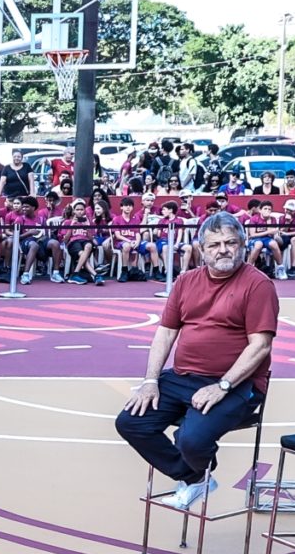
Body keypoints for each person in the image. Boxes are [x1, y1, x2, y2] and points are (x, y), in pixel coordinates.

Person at [115, 212, 276, 510]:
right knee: (130, 423)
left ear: (243, 243)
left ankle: (194, 467)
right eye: (214, 245)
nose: (223, 250)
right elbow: (165, 334)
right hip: (182, 376)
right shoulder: (186, 281)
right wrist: (150, 381)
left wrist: (222, 386)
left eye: (230, 242)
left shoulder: (258, 285)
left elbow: (261, 345)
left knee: (191, 440)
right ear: (202, 249)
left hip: (237, 383)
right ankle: (194, 476)